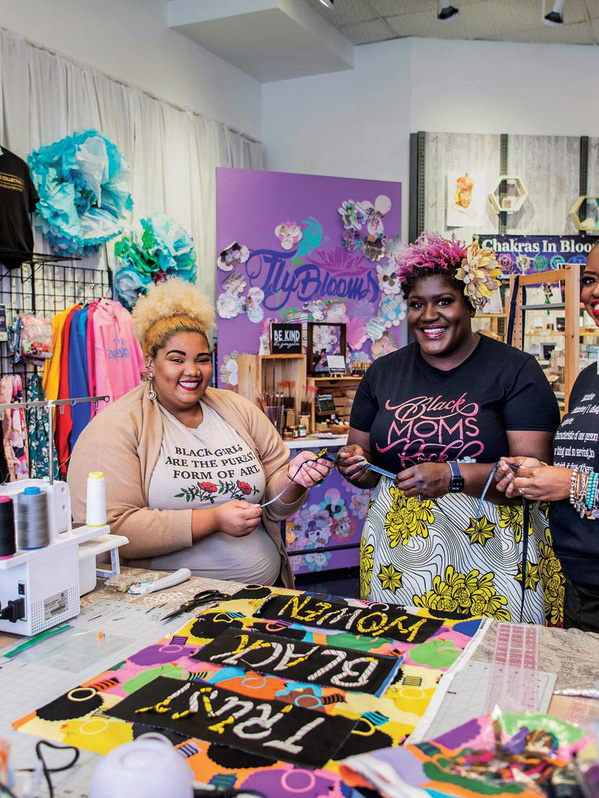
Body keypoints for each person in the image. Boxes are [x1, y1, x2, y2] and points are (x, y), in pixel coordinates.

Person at [337, 233, 561, 624]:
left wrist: (452, 476)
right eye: (416, 304)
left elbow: (532, 476)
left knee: (494, 664)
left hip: (492, 551)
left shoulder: (515, 370)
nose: (428, 316)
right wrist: (357, 465)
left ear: (469, 303)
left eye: (444, 301)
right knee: (401, 658)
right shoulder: (383, 372)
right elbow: (363, 464)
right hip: (397, 554)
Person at [68, 278, 332, 587]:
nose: (192, 371)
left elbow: (274, 505)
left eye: (202, 360)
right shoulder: (116, 427)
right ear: (150, 363)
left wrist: (293, 480)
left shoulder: (239, 410)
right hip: (166, 606)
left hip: (264, 593)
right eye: (177, 359)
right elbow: (111, 527)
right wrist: (213, 520)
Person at [496, 242, 599, 631]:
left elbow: (577, 480)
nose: (593, 291)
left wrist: (572, 483)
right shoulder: (588, 378)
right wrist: (538, 473)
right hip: (576, 582)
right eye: (589, 280)